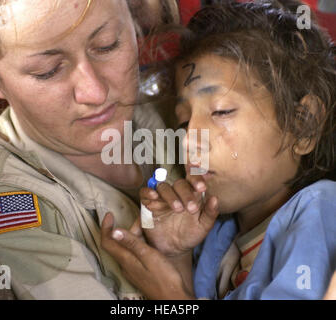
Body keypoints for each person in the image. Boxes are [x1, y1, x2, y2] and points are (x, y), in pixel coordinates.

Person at [101, 0, 336, 300]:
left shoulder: (322, 214)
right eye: (184, 122)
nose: (189, 141)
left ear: (303, 124)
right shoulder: (218, 234)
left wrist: (170, 298)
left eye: (221, 111)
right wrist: (176, 255)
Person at [0, 0, 181, 300]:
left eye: (107, 45)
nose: (94, 93)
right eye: (48, 71)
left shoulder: (186, 112)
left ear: (134, 22)